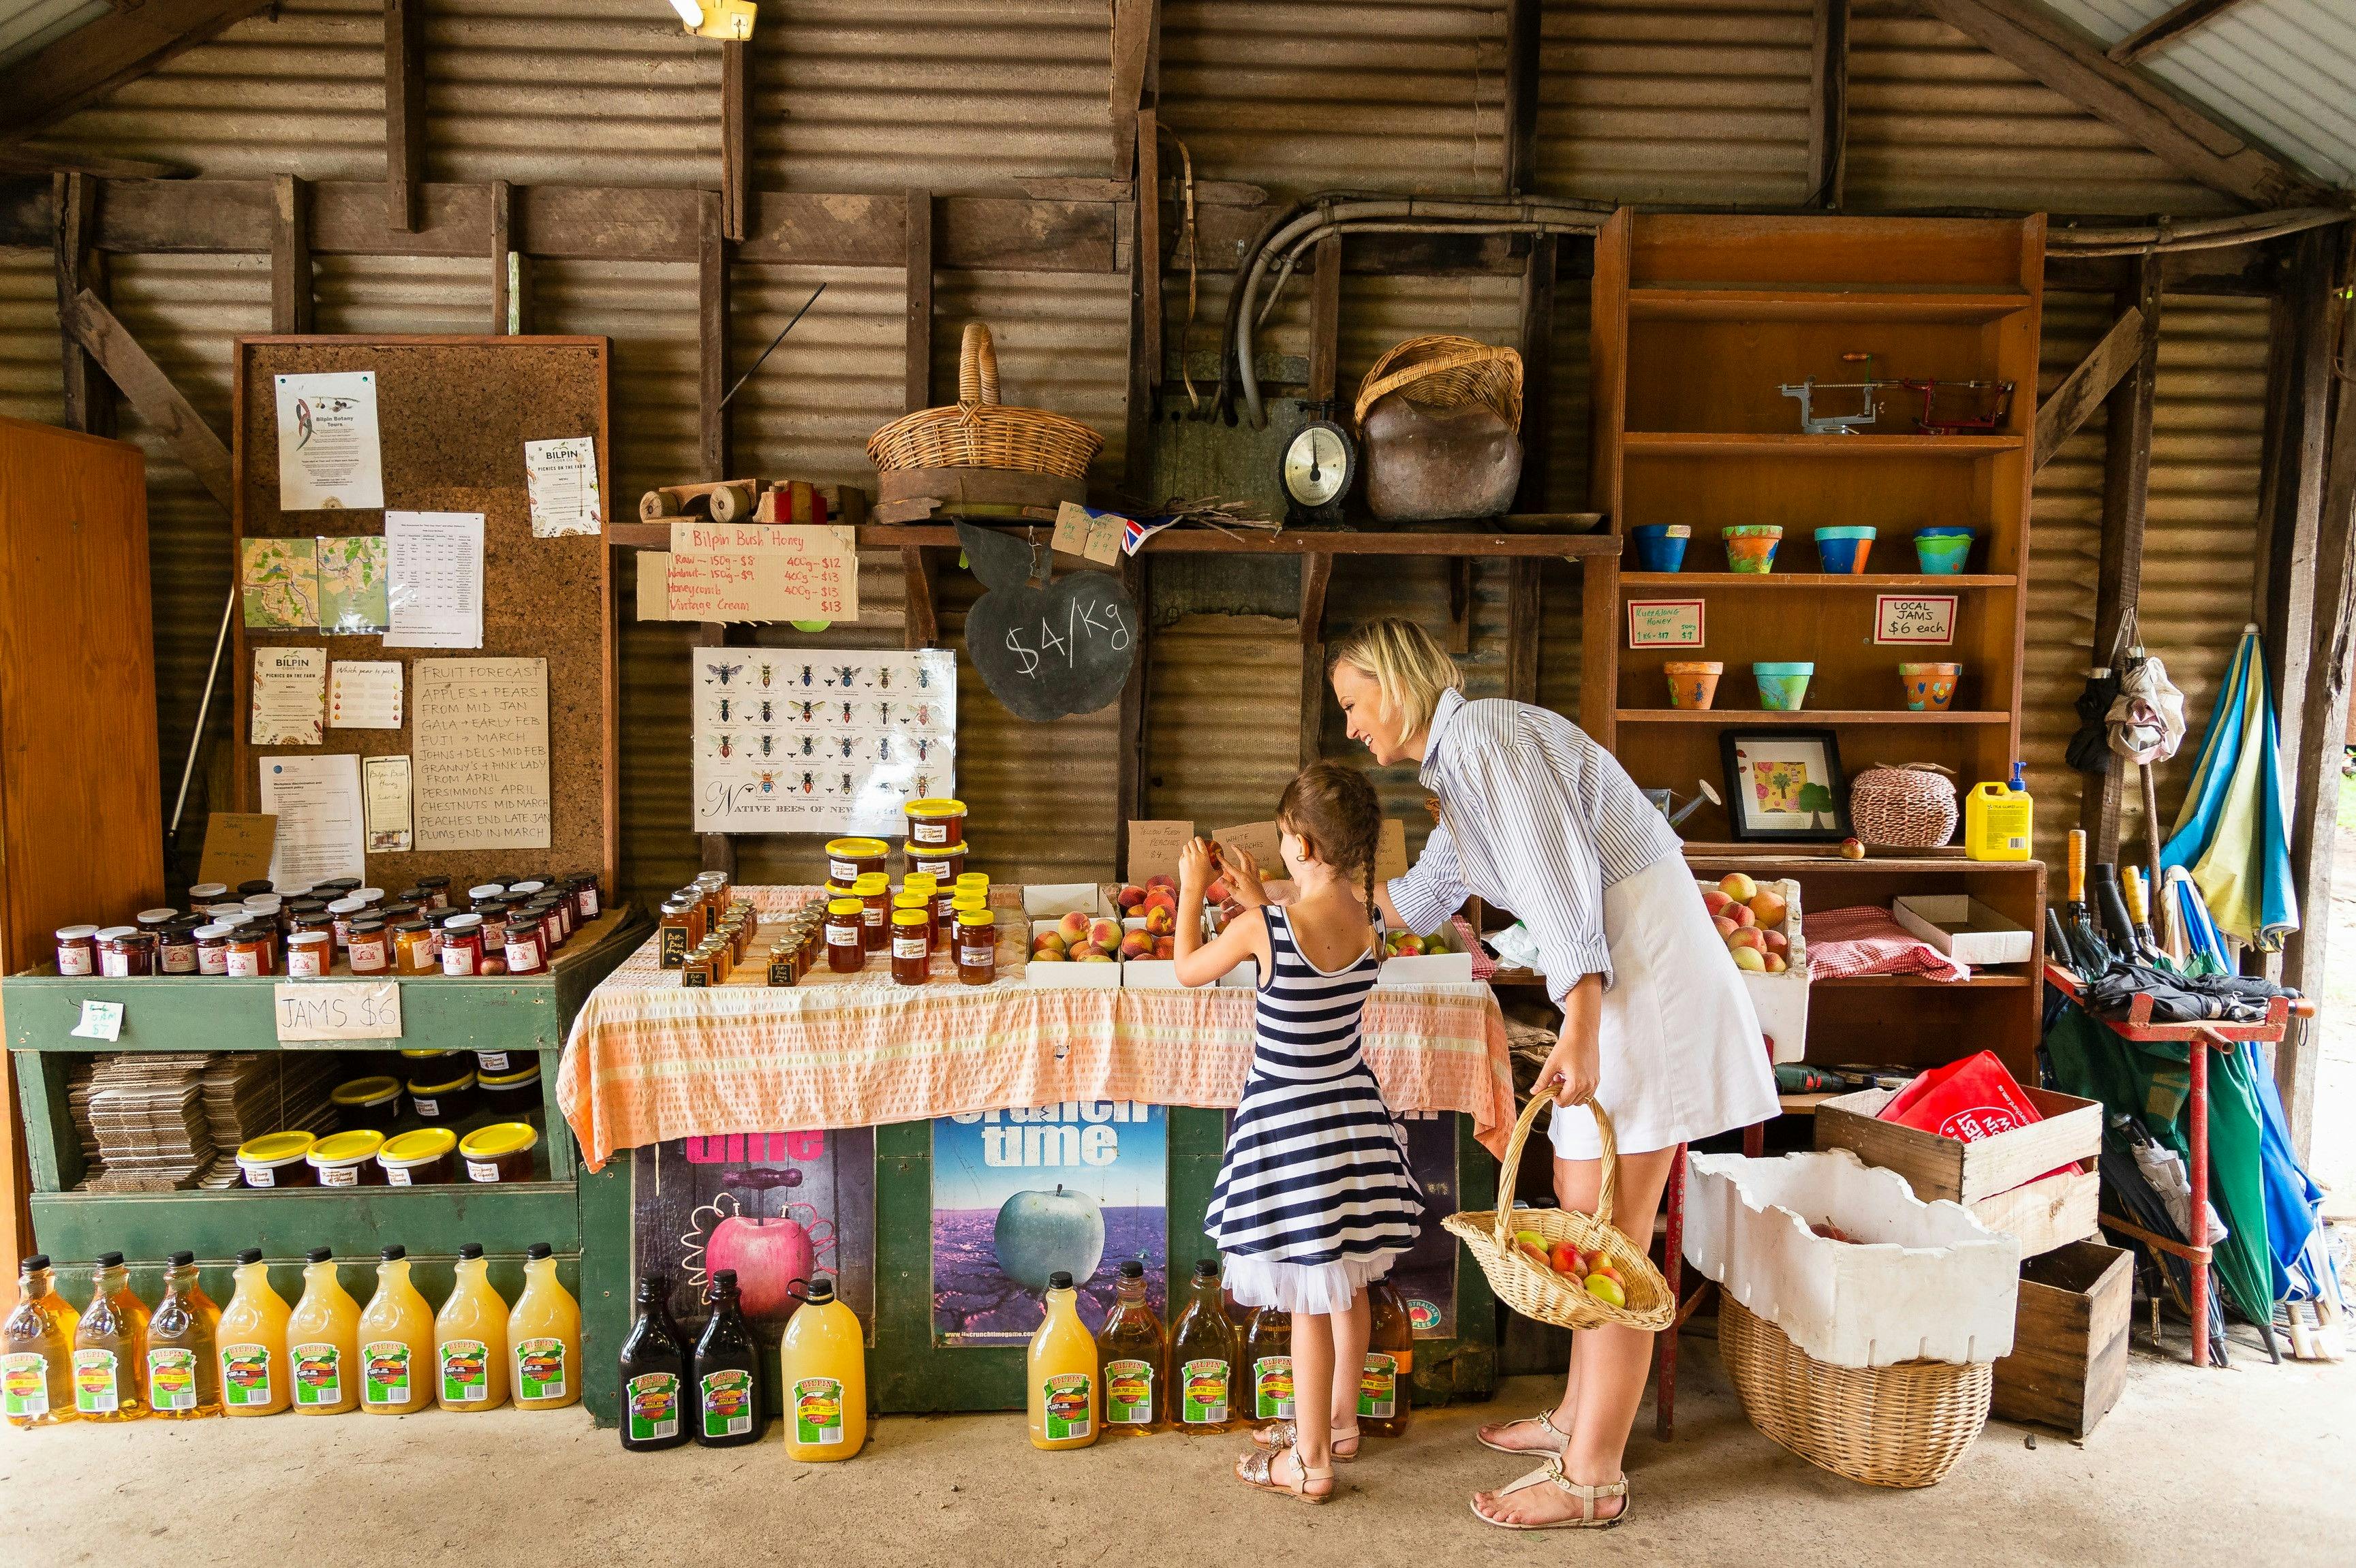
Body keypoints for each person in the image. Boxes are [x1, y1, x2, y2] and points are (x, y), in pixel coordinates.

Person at [1301, 617, 1776, 1529]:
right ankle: (1571, 1415)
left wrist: (1584, 1015)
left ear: (1396, 682)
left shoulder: (1486, 741)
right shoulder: (1460, 767)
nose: (1353, 727)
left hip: (1642, 973)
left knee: (1610, 1238)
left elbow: (1562, 887)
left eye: (1354, 704)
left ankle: (1592, 1473)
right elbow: (1415, 899)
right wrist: (1290, 900)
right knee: (1581, 1205)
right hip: (1610, 974)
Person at [1173, 759, 1423, 1505]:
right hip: (1350, 1118)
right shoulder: (1371, 920)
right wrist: (1256, 894)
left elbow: (1187, 966)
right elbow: (1308, 935)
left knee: (1310, 1296)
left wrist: (1192, 891)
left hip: (1288, 1126)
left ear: (1307, 846)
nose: (1282, 849)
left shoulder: (1264, 929)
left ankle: (1310, 1463)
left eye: (1286, 839)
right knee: (1342, 1274)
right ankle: (1340, 1420)